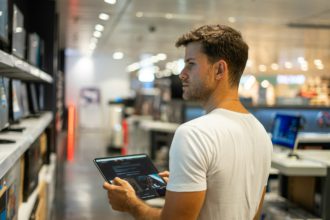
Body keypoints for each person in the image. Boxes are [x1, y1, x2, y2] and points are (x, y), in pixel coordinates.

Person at [103, 24, 273, 220]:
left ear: (219, 69)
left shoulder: (194, 134)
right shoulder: (260, 133)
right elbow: (249, 211)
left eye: (191, 64)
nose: (182, 74)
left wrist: (130, 203)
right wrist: (181, 187)